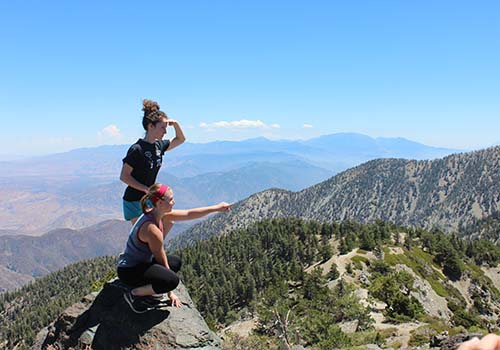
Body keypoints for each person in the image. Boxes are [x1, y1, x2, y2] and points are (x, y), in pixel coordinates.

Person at [117, 183, 232, 313]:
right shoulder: (151, 229)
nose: (174, 202)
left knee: (175, 262)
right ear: (160, 203)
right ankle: (134, 294)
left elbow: (188, 214)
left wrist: (217, 208)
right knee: (171, 280)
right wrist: (169, 291)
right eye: (170, 199)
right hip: (129, 271)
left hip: (140, 263)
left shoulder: (156, 213)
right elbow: (161, 259)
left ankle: (149, 289)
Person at [120, 99, 186, 224]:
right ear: (151, 126)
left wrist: (176, 124)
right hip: (134, 200)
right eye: (162, 128)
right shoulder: (136, 149)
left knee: (167, 223)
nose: (165, 132)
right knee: (146, 234)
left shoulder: (158, 146)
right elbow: (124, 176)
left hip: (149, 198)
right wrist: (145, 188)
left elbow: (180, 139)